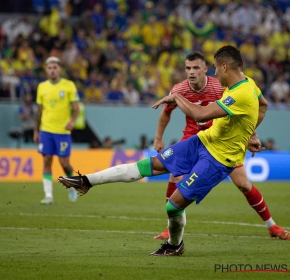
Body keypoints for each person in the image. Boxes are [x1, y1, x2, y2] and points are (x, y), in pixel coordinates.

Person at [58, 46, 276, 256]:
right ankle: (87, 181)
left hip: (218, 159)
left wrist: (177, 98)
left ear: (225, 66)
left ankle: (174, 245)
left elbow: (200, 114)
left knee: (173, 206)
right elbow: (263, 105)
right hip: (202, 141)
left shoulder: (242, 93)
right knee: (148, 165)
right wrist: (250, 133)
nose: (215, 73)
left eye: (216, 68)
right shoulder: (248, 84)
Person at [152, 51, 289, 241]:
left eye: (196, 68)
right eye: (188, 68)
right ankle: (170, 228)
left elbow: (247, 110)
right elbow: (166, 112)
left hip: (222, 140)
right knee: (176, 174)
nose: (191, 72)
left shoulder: (220, 85)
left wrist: (251, 134)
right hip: (193, 138)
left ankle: (272, 226)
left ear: (206, 69)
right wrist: (158, 137)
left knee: (243, 184)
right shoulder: (179, 90)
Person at [34, 57, 80, 205]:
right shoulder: (42, 87)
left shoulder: (69, 85)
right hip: (46, 130)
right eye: (49, 68)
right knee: (47, 160)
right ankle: (48, 196)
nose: (52, 70)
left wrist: (72, 121)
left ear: (59, 69)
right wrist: (36, 130)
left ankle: (71, 185)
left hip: (62, 132)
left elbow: (76, 108)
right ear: (46, 70)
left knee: (64, 163)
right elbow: (39, 111)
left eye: (55, 67)